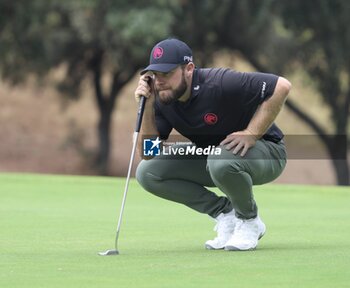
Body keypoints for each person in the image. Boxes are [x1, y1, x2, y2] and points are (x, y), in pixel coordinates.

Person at [134, 38, 291, 251]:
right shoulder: (162, 99)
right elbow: (148, 153)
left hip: (267, 151)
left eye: (167, 74)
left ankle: (249, 221)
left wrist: (251, 133)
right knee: (148, 172)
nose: (160, 81)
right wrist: (148, 107)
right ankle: (226, 213)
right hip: (216, 156)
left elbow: (281, 85)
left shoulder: (220, 82)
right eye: (156, 75)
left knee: (221, 159)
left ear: (189, 69)